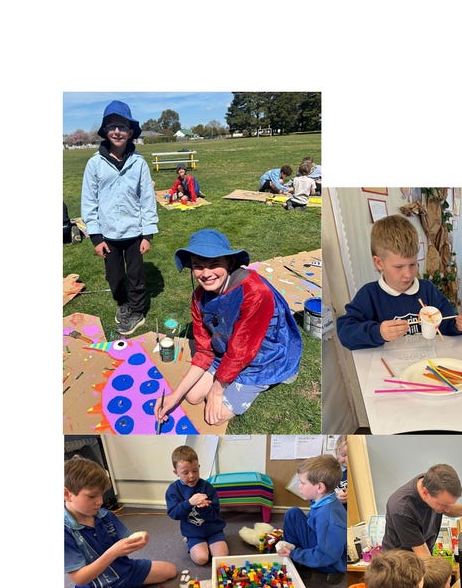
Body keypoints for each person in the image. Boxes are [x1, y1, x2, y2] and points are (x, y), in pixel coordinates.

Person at [155, 229, 302, 427]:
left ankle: (266, 379)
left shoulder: (254, 292)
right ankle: (227, 379)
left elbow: (243, 349)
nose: (206, 274)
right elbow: (205, 349)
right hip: (226, 351)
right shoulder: (199, 297)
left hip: (261, 356)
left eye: (214, 265)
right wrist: (174, 395)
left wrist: (217, 389)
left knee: (215, 417)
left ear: (230, 263)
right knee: (192, 396)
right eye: (198, 266)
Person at [64, 455, 177, 588]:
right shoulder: (64, 530)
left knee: (170, 570)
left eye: (101, 494)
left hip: (125, 570)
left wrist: (137, 541)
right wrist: (114, 552)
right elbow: (80, 578)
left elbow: (124, 544)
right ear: (67, 494)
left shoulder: (104, 515)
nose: (100, 501)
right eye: (92, 496)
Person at [336, 215, 462, 349]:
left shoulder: (427, 290)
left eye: (413, 264)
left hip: (427, 363)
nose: (408, 274)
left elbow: (447, 322)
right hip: (387, 368)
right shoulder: (369, 295)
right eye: (398, 267)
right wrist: (378, 332)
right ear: (379, 263)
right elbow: (346, 332)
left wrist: (458, 325)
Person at [81, 99, 158, 336]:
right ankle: (123, 303)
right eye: (112, 126)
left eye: (122, 127)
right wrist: (95, 236)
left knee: (136, 275)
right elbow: (89, 201)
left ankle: (136, 311)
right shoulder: (95, 164)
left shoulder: (139, 163)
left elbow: (147, 199)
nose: (117, 131)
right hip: (108, 234)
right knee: (114, 276)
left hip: (134, 232)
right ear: (105, 131)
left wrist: (148, 233)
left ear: (131, 132)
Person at [382, 463, 462, 562]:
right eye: (443, 505)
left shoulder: (431, 482)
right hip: (399, 566)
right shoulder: (402, 509)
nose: (448, 510)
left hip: (422, 553)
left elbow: (447, 507)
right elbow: (422, 553)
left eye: (449, 504)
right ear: (425, 493)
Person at [276, 455, 348, 578]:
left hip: (328, 560)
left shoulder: (328, 518)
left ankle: (298, 558)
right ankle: (295, 554)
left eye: (303, 483)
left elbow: (326, 555)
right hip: (321, 543)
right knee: (293, 513)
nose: (299, 486)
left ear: (320, 487)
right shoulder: (322, 500)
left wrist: (295, 554)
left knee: (295, 517)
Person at [166, 445, 229, 567]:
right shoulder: (173, 490)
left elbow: (216, 514)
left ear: (199, 467)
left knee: (221, 559)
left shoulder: (207, 487)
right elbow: (174, 513)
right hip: (193, 533)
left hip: (214, 530)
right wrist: (189, 503)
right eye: (185, 472)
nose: (191, 476)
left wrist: (205, 507)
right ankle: (192, 542)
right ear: (176, 472)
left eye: (195, 471)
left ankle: (214, 542)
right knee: (201, 559)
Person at [334, 435, 348, 508]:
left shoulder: (359, 472)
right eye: (343, 455)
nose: (348, 459)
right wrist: (335, 498)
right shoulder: (331, 472)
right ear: (337, 453)